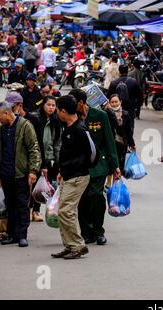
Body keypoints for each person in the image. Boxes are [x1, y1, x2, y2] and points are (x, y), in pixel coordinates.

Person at [69, 89, 120, 245]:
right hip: (80, 166)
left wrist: (115, 165)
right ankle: (86, 233)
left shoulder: (100, 115)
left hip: (99, 164)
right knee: (82, 199)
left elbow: (109, 140)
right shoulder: (72, 118)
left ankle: (98, 231)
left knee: (96, 196)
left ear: (81, 103)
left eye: (73, 103)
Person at [0, 101, 41, 248]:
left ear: (7, 113)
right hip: (6, 174)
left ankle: (22, 235)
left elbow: (34, 149)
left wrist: (33, 171)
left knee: (22, 205)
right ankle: (12, 235)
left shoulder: (25, 126)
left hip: (21, 173)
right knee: (10, 205)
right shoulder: (2, 129)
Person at [51, 95, 92, 259]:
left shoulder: (80, 129)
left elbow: (93, 153)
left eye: (57, 110)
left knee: (66, 211)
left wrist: (79, 166)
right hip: (68, 175)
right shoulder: (67, 127)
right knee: (64, 211)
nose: (56, 113)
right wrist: (62, 170)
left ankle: (78, 245)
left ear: (63, 111)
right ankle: (69, 245)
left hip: (78, 176)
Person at [5, 91, 45, 222]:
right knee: (21, 193)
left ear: (19, 105)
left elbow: (39, 144)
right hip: (16, 163)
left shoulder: (32, 119)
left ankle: (36, 210)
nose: (9, 109)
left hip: (32, 160)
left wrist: (42, 165)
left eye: (12, 106)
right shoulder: (7, 121)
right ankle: (25, 212)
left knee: (35, 187)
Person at [107, 65, 143, 135]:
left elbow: (108, 97)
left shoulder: (113, 83)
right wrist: (136, 106)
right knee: (130, 126)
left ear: (119, 71)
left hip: (116, 109)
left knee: (116, 127)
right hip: (130, 109)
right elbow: (140, 96)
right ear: (128, 71)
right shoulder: (133, 82)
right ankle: (129, 143)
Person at [105, 94, 136, 173]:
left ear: (120, 102)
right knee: (110, 167)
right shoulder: (106, 114)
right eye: (112, 102)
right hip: (110, 144)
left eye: (116, 102)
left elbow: (128, 131)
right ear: (109, 103)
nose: (114, 104)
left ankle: (117, 183)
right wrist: (109, 111)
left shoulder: (125, 114)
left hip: (122, 144)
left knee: (120, 167)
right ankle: (109, 184)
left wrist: (132, 144)